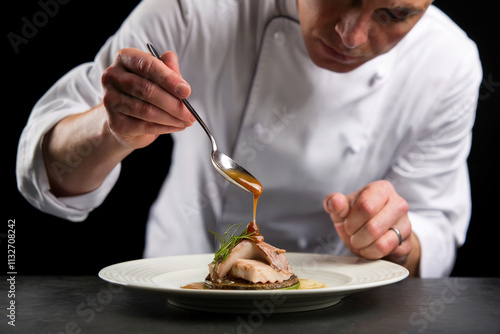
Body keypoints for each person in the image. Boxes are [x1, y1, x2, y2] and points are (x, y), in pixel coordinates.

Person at [16, 0, 482, 278]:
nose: (351, 34)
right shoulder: (196, 7)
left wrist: (395, 239)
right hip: (179, 286)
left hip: (340, 309)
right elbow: (46, 175)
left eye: (395, 13)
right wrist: (109, 128)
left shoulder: (448, 64)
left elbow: (434, 229)